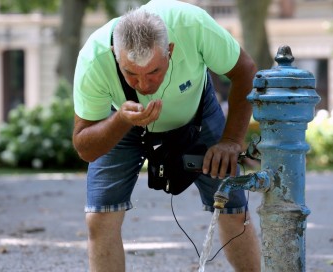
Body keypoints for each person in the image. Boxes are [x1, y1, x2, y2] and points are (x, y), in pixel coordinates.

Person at [72, 0, 260, 271]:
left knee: (233, 206)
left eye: (154, 72)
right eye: (130, 74)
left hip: (197, 110)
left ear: (170, 50)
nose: (144, 86)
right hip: (123, 118)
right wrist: (120, 120)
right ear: (115, 54)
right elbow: (85, 148)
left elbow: (245, 72)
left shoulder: (193, 25)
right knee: (99, 217)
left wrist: (231, 141)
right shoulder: (93, 58)